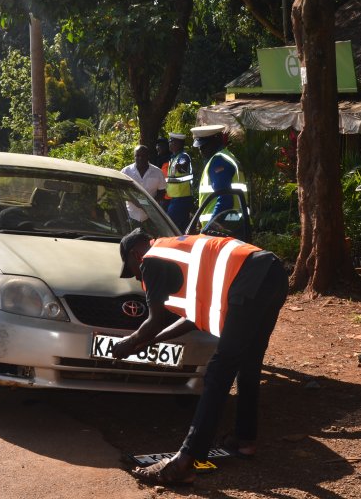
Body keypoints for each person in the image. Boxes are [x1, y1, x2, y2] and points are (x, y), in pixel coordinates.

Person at [112, 229, 288, 486]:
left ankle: (184, 462)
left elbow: (153, 320)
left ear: (135, 255)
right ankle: (245, 439)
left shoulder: (150, 259)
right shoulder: (178, 250)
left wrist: (128, 343)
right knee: (249, 362)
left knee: (219, 370)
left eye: (134, 271)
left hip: (250, 280)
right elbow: (192, 318)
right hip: (271, 272)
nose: (138, 276)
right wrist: (153, 341)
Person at [191, 124, 248, 229]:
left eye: (204, 145)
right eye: (199, 147)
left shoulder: (218, 161)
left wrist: (209, 226)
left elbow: (225, 199)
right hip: (233, 223)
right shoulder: (227, 156)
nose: (201, 150)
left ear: (216, 141)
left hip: (223, 227)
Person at [121, 145, 167, 226]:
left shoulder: (157, 172)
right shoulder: (126, 172)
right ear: (134, 156)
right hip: (130, 215)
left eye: (143, 156)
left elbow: (162, 192)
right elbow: (121, 192)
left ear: (148, 156)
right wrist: (135, 201)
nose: (140, 158)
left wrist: (150, 204)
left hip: (151, 217)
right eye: (137, 156)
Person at [164, 132, 194, 232]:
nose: (170, 144)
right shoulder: (174, 157)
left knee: (172, 225)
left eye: (171, 142)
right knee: (179, 227)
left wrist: (181, 166)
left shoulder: (183, 157)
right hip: (174, 198)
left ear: (178, 143)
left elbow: (183, 166)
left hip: (181, 198)